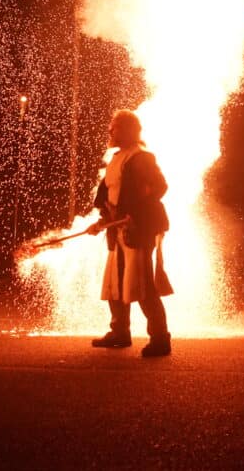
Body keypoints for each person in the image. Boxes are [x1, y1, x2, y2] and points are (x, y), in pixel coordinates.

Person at [86, 109, 172, 358]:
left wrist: (137, 213)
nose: (110, 131)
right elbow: (109, 198)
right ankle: (120, 332)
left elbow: (159, 187)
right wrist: (102, 221)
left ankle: (160, 338)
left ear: (128, 130)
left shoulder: (142, 158)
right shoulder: (116, 159)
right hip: (119, 231)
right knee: (115, 283)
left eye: (115, 127)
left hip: (138, 231)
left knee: (143, 286)